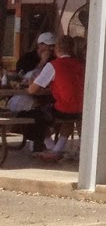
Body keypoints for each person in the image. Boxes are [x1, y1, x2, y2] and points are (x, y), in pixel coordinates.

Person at [27, 34, 84, 162]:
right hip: (81, 108)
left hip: (64, 107)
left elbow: (32, 90)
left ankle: (47, 147)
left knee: (36, 114)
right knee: (69, 118)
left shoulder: (53, 65)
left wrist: (31, 81)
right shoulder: (81, 65)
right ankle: (56, 149)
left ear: (57, 48)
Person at [8, 32, 56, 152]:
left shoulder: (54, 60)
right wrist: (41, 63)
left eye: (52, 46)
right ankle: (40, 140)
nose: (50, 49)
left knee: (41, 111)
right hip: (24, 96)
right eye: (48, 46)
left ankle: (37, 140)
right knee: (37, 111)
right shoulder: (27, 58)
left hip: (44, 97)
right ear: (39, 45)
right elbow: (24, 77)